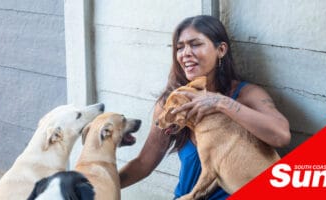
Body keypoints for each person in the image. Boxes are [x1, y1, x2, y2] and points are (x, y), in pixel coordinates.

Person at [119, 15, 291, 199]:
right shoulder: (172, 104)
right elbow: (144, 163)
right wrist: (93, 186)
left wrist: (221, 102)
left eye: (195, 44)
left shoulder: (245, 95)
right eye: (180, 47)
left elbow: (281, 136)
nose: (185, 53)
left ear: (221, 50)